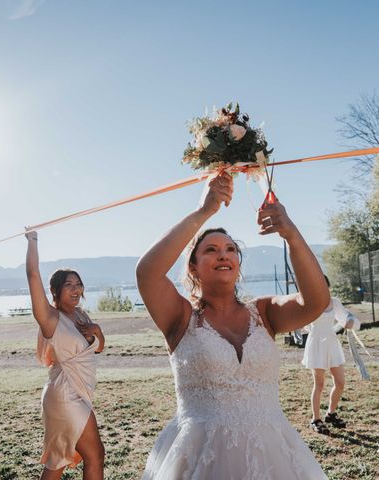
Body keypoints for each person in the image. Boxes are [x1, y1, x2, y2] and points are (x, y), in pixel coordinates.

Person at [136, 171, 331, 479]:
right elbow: (147, 272)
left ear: (238, 263)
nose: (223, 255)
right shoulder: (180, 317)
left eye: (230, 249)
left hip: (273, 454)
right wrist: (204, 212)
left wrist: (291, 234)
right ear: (193, 266)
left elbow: (316, 301)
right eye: (210, 250)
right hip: (201, 457)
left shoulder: (264, 313)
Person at [25, 230, 106, 480]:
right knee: (95, 455)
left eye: (78, 284)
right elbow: (32, 275)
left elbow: (98, 348)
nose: (75, 289)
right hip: (64, 393)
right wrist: (32, 240)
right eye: (68, 285)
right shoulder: (50, 318)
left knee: (57, 461)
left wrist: (98, 332)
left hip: (80, 391)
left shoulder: (81, 315)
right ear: (55, 290)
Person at [302, 275, 360, 434]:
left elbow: (348, 316)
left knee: (340, 382)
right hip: (316, 345)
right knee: (319, 384)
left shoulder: (334, 302)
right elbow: (303, 325)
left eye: (323, 286)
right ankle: (315, 419)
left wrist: (350, 321)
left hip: (332, 344)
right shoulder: (309, 303)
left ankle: (331, 413)